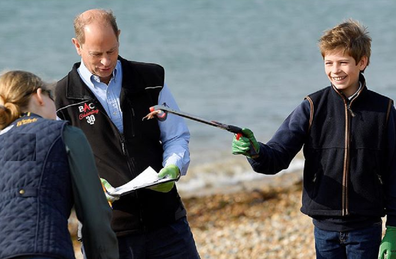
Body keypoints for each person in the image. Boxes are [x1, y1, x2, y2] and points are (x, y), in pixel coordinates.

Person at [232, 19, 396, 259]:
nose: (335, 70)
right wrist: (255, 151)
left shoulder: (384, 110)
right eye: (328, 62)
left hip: (366, 228)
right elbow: (277, 156)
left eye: (343, 62)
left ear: (362, 62)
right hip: (323, 228)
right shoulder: (311, 106)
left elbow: (394, 171)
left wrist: (393, 227)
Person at [55, 9, 200, 259]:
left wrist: (174, 166)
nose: (105, 61)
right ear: (77, 46)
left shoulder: (151, 78)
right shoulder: (61, 97)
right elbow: (59, 165)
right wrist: (89, 187)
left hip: (167, 224)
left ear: (119, 37)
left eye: (111, 50)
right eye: (96, 54)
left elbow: (175, 136)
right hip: (106, 234)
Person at [0, 70, 118, 259]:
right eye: (51, 96)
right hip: (47, 249)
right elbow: (95, 216)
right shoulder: (63, 134)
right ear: (39, 96)